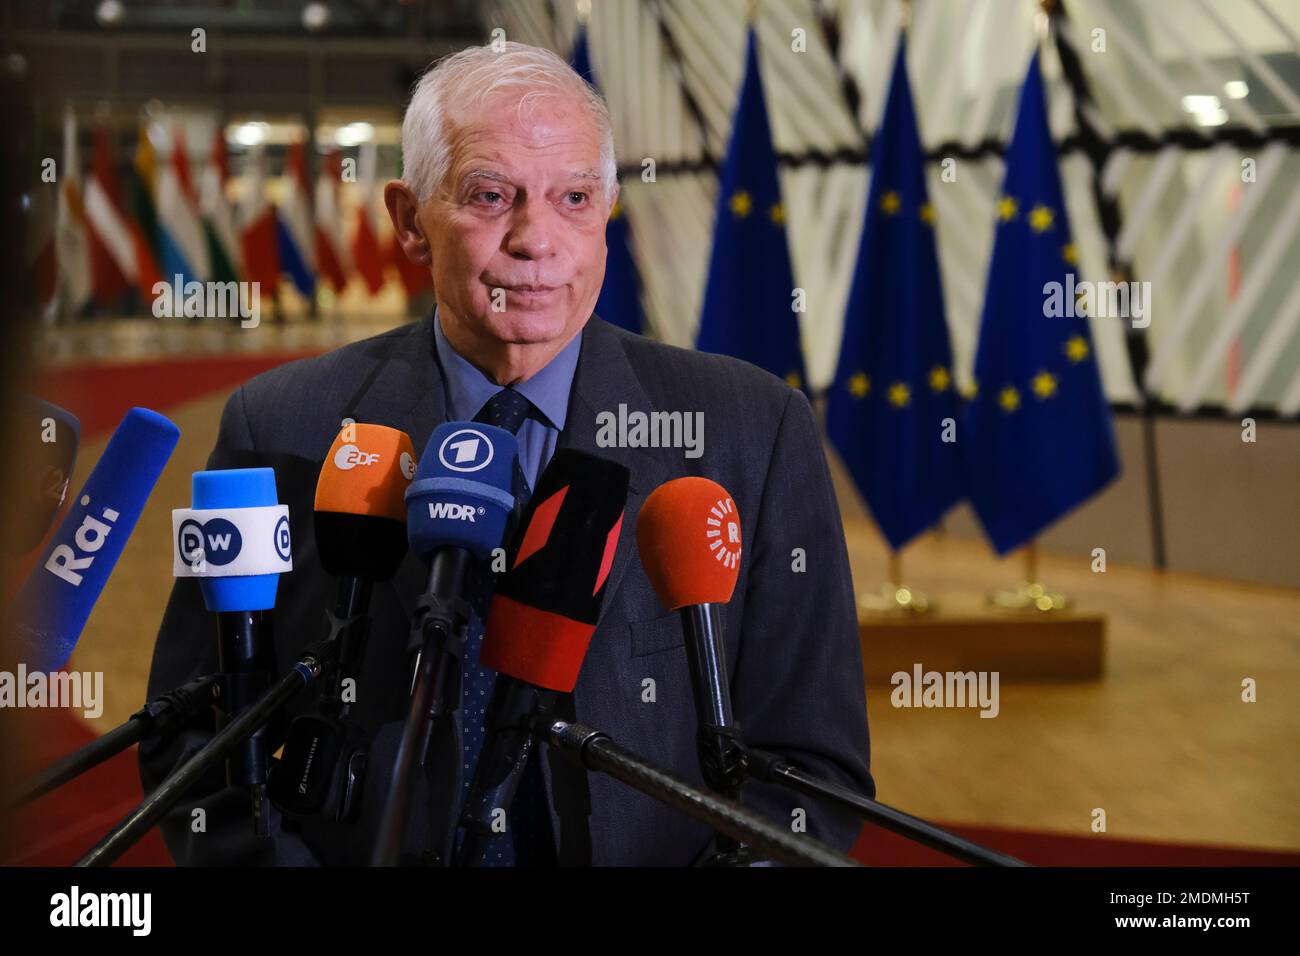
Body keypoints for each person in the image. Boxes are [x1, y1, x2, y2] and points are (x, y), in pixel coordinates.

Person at [142, 40, 873, 866]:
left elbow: (811, 774)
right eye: (491, 196)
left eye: (573, 197)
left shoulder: (752, 429)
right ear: (409, 220)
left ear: (607, 213)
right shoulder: (280, 426)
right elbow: (195, 743)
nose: (536, 239)